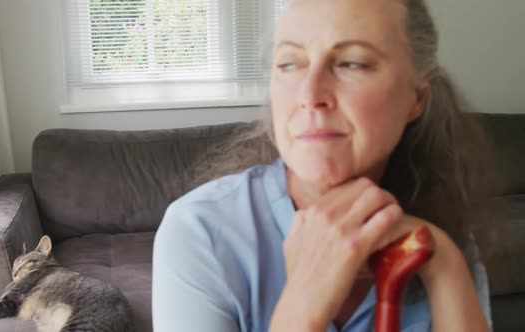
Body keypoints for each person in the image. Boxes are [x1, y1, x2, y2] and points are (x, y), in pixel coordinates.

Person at [152, 0, 496, 331]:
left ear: (416, 98)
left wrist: (445, 262)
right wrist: (304, 305)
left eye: (353, 63)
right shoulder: (200, 232)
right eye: (289, 63)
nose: (309, 93)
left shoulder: (442, 234)